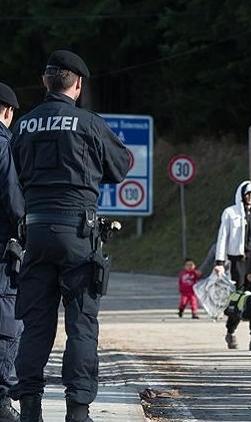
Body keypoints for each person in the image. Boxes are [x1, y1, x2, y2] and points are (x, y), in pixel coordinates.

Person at [10, 50, 129, 422]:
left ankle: (29, 407)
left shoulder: (23, 125)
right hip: (79, 232)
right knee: (80, 323)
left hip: (35, 233)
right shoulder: (88, 124)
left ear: (46, 81)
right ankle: (77, 410)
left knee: (35, 323)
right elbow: (121, 166)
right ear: (77, 85)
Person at [214, 180, 251, 350]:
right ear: (241, 194)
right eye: (247, 193)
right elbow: (222, 237)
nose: (250, 197)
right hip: (237, 260)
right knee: (239, 296)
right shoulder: (230, 213)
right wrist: (219, 261)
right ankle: (231, 330)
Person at [0, 82, 23, 422]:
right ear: (6, 111)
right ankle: (2, 397)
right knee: (6, 320)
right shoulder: (3, 145)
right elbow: (14, 200)